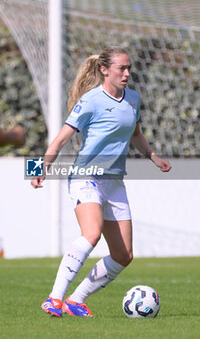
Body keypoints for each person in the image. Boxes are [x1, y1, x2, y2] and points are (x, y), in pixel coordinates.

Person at [31, 46, 171, 318]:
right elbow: (61, 139)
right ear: (105, 70)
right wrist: (40, 168)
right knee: (91, 233)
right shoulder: (91, 100)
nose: (127, 73)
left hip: (114, 181)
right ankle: (54, 298)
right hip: (86, 176)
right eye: (122, 68)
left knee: (124, 255)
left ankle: (76, 301)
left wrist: (153, 156)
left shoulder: (133, 99)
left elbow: (135, 133)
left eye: (129, 68)